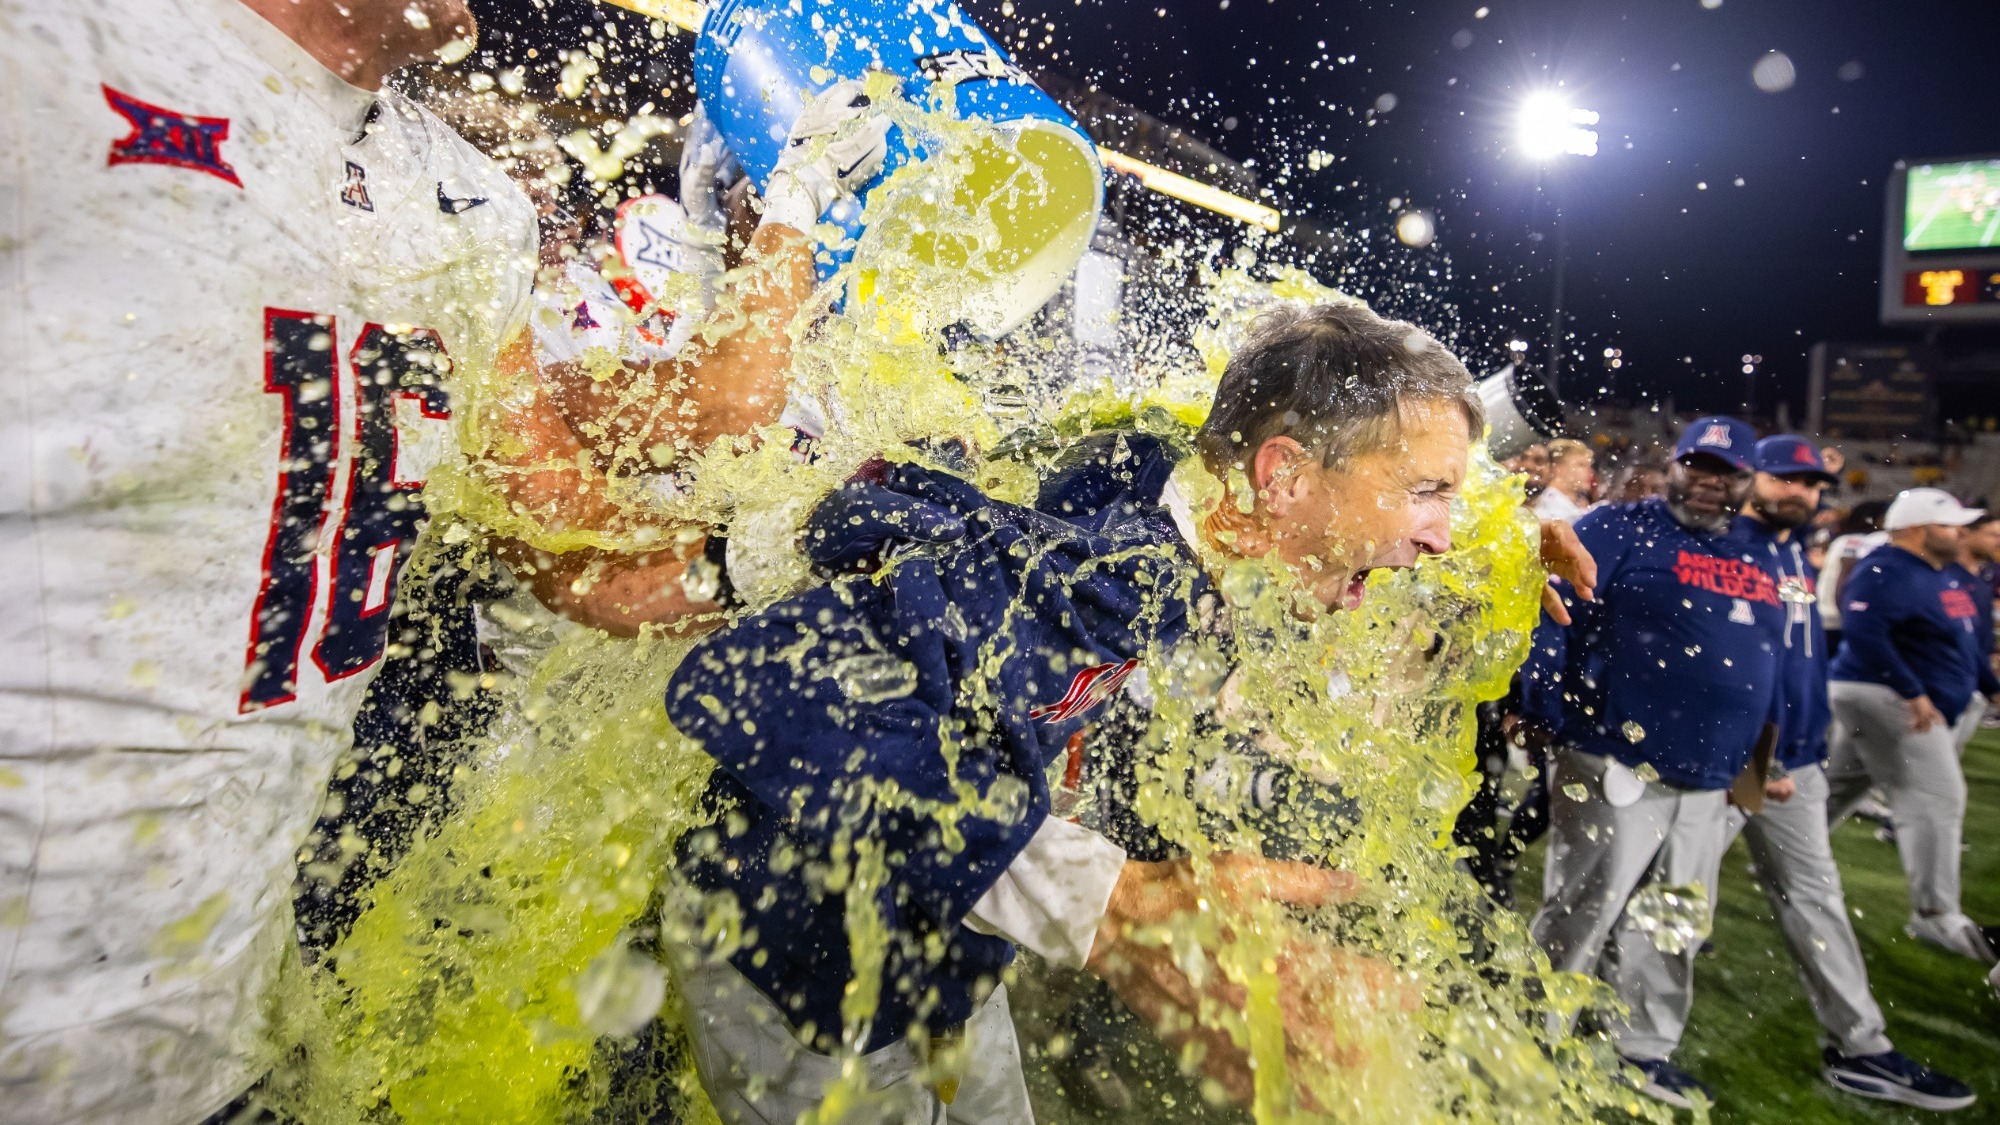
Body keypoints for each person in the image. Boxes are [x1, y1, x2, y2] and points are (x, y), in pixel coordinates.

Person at [0, 3, 889, 1122]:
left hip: (224, 1030)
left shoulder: (466, 205)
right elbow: (708, 401)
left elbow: (578, 551)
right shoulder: (48, 57)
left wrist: (786, 559)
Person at [661, 301, 1596, 1121]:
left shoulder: (1172, 474)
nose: (1437, 533)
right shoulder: (1117, 573)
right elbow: (758, 674)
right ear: (1284, 478)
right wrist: (1110, 904)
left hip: (935, 949)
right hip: (805, 969)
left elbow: (1338, 475)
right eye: (1430, 494)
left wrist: (1501, 542)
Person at [1527, 415, 1784, 1110]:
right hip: (1615, 757)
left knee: (1673, 923)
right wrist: (1546, 702)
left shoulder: (1765, 552)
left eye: (1726, 472)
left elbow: (1772, 654)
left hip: (1710, 774)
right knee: (1582, 911)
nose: (1709, 480)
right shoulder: (1619, 525)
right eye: (1698, 464)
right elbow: (1547, 610)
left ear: (1747, 481)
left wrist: (1768, 752)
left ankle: (1640, 1049)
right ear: (1674, 464)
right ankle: (1532, 1037)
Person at [1722, 439, 1973, 1111]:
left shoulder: (1787, 550)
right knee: (1662, 894)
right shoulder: (1733, 545)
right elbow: (1739, 661)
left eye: (1812, 482)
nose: (1802, 492)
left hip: (1794, 756)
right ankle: (1622, 1037)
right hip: (1748, 755)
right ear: (1752, 480)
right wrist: (1758, 755)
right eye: (1787, 479)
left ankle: (1862, 1047)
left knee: (1815, 897)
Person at [1827, 488, 2000, 964]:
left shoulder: (1935, 574)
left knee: (1835, 789)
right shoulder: (1885, 567)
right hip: (1886, 696)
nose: (1958, 533)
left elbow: (1961, 645)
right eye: (1949, 525)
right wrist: (1912, 689)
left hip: (1897, 695)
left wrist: (1989, 684)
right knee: (1939, 796)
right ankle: (1935, 914)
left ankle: (1779, 852)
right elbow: (1863, 633)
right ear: (1917, 529)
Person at [1945, 513, 2000, 745]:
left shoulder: (1982, 578)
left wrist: (1992, 653)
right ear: (1966, 535)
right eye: (1993, 535)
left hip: (1974, 678)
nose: (1998, 541)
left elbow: (1980, 632)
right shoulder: (1946, 576)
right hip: (1948, 678)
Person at [1816, 499, 1889, 655]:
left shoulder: (1843, 540)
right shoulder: (1864, 541)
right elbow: (1845, 578)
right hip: (1840, 618)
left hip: (1825, 614)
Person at [1533, 437, 1595, 522]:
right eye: (1581, 465)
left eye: (1589, 466)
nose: (1590, 471)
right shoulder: (1549, 513)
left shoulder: (1577, 507)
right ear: (1558, 469)